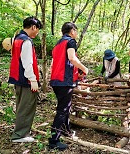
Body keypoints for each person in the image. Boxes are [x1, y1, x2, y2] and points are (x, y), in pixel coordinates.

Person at [49, 22, 88, 151]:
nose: (76, 33)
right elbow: (72, 58)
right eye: (76, 31)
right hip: (64, 81)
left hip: (55, 80)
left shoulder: (57, 44)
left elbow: (53, 64)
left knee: (65, 107)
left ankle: (66, 130)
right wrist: (84, 68)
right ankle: (54, 141)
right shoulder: (70, 42)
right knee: (62, 109)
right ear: (72, 31)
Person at [8, 17, 42, 142]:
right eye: (37, 29)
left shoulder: (17, 38)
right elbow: (27, 63)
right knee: (27, 106)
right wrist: (33, 80)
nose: (37, 32)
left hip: (17, 78)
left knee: (21, 106)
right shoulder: (26, 41)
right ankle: (20, 135)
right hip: (26, 79)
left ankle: (20, 131)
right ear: (33, 27)